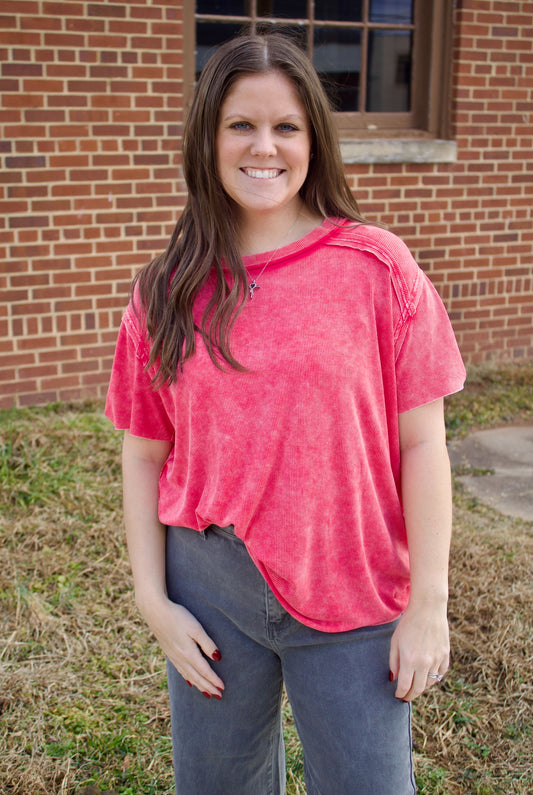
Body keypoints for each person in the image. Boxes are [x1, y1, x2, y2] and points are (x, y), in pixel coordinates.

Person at [105, 33, 466, 795]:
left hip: (354, 589)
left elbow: (423, 443)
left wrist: (428, 603)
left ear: (313, 141)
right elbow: (143, 453)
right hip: (210, 591)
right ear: (207, 136)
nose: (261, 146)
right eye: (240, 124)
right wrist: (153, 598)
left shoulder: (375, 267)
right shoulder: (166, 289)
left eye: (285, 127)